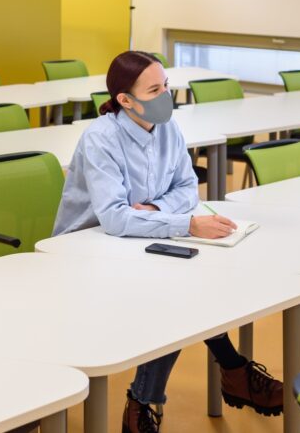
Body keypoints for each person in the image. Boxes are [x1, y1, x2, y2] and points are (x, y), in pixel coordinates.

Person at [53, 50, 282, 433]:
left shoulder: (169, 129)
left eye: (166, 86)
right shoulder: (100, 138)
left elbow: (187, 188)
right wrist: (185, 224)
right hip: (86, 250)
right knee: (174, 295)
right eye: (154, 89)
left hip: (135, 242)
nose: (166, 96)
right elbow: (114, 218)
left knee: (190, 282)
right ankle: (221, 374)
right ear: (125, 100)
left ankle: (181, 389)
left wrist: (157, 209)